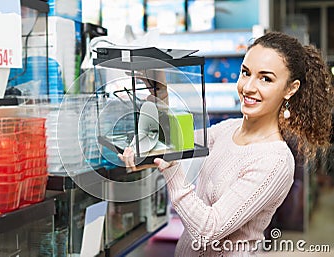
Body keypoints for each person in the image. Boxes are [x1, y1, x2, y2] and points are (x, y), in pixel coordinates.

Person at [118, 31, 334, 256]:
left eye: (266, 78)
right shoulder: (227, 129)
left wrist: (171, 165)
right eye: (245, 73)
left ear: (291, 89)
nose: (248, 87)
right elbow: (171, 140)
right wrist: (159, 93)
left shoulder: (276, 161)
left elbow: (207, 230)